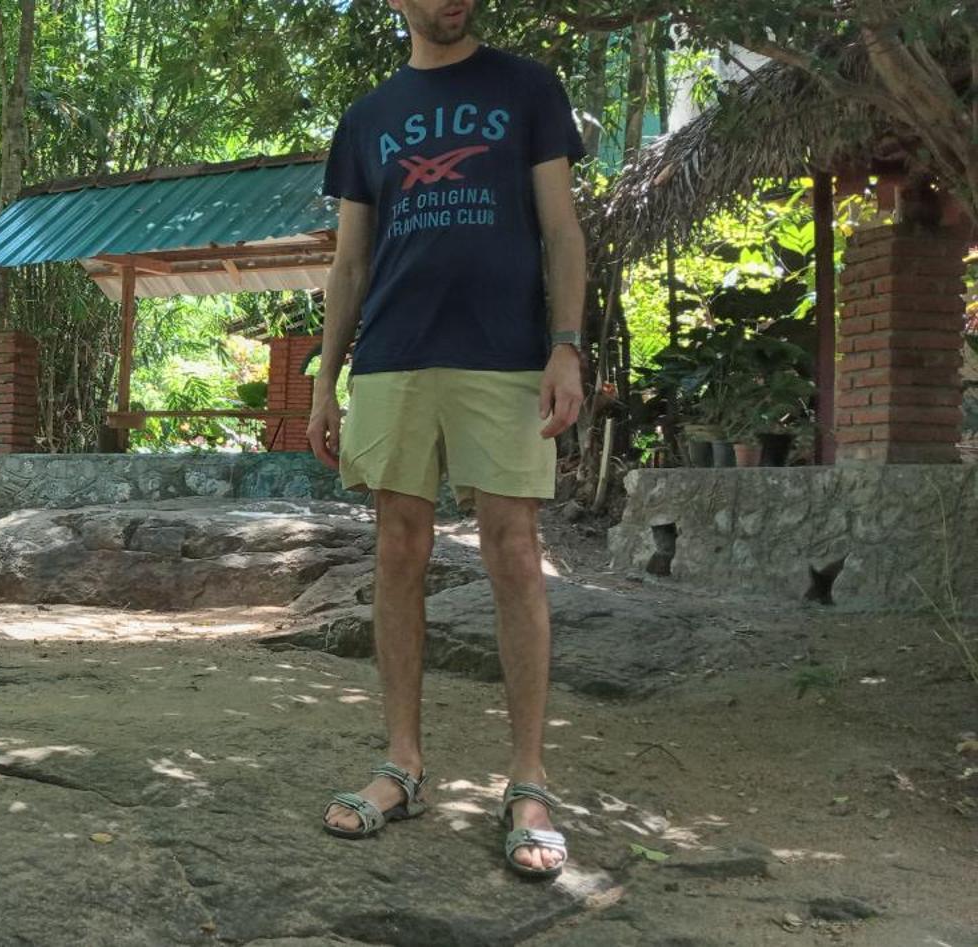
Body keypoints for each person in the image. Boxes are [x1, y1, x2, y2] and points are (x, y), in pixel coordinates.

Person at [304, 0, 587, 879]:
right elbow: (350, 263)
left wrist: (567, 345)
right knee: (398, 549)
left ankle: (529, 780)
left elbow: (561, 228)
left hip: (503, 354)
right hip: (393, 355)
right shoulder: (368, 118)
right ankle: (403, 763)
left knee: (513, 548)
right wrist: (326, 378)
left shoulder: (529, 88)